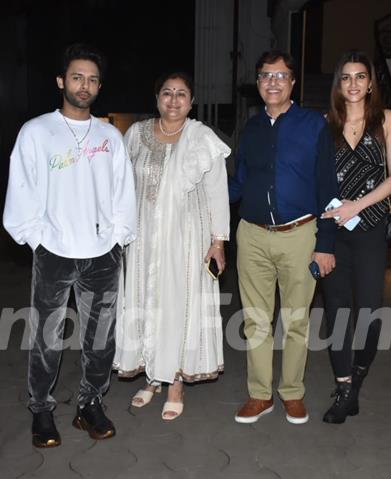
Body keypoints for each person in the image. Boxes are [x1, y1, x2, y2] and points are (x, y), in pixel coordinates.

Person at [2, 43, 137, 447]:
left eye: (93, 79)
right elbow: (21, 188)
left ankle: (89, 405)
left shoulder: (110, 136)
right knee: (46, 337)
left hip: (102, 254)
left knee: (101, 337)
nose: (85, 85)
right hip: (54, 252)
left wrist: (117, 238)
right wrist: (37, 238)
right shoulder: (36, 131)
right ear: (62, 80)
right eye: (77, 77)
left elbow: (122, 192)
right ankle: (41, 410)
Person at [113, 72, 231, 421]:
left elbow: (217, 193)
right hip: (143, 239)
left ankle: (175, 381)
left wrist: (218, 242)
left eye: (182, 94)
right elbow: (119, 186)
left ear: (192, 101)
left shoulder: (201, 138)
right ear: (157, 98)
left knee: (178, 306)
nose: (174, 100)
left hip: (186, 239)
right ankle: (152, 376)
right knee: (146, 302)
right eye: (167, 93)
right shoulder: (135, 134)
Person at [230, 50, 336, 425]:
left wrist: (326, 243)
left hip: (300, 234)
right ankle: (260, 395)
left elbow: (328, 184)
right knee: (256, 319)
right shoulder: (252, 127)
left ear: (292, 83)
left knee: (295, 320)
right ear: (258, 83)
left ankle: (292, 393)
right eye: (265, 76)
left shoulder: (313, 125)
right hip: (253, 236)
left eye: (280, 76)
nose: (272, 82)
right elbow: (239, 182)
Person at [319, 50, 391, 424]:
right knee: (336, 311)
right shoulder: (326, 125)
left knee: (369, 311)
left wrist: (358, 205)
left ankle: (358, 376)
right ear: (339, 84)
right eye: (346, 77)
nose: (353, 83)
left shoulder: (386, 120)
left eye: (360, 76)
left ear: (370, 83)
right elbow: (318, 179)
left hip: (370, 230)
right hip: (335, 233)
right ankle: (344, 388)